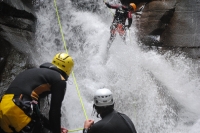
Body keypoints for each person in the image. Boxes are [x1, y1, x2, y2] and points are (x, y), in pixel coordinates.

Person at [0, 52, 74, 133]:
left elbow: (37, 114)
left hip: (3, 106)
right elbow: (54, 112)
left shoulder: (34, 73)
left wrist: (52, 127)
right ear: (67, 71)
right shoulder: (60, 80)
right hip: (19, 108)